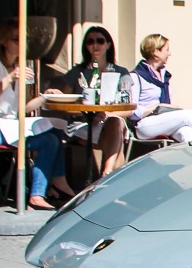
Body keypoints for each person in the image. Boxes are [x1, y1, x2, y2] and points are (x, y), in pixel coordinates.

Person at [0, 19, 73, 210]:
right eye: (16, 39)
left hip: (7, 125)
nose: (21, 44)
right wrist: (9, 78)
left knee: (56, 128)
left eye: (24, 39)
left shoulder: (18, 67)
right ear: (3, 42)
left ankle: (57, 181)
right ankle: (37, 194)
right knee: (48, 141)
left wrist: (43, 98)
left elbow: (20, 109)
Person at [45, 25, 129, 177]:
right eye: (90, 42)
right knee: (116, 141)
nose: (95, 45)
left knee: (115, 123)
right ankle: (110, 177)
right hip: (83, 123)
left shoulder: (121, 73)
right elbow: (65, 103)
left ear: (108, 44)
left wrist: (105, 113)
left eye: (100, 41)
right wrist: (57, 94)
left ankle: (107, 173)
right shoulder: (78, 72)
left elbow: (128, 108)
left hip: (109, 121)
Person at [129, 33, 192, 142]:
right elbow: (132, 112)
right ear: (156, 52)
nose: (170, 53)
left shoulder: (164, 77)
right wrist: (155, 107)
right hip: (144, 124)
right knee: (191, 114)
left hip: (164, 121)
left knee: (187, 132)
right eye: (167, 50)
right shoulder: (136, 76)